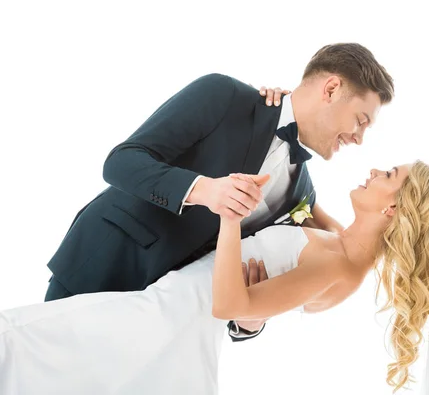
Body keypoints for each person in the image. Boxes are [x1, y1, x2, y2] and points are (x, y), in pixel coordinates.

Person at [0, 161, 429, 394]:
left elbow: (231, 306)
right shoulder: (341, 244)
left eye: (388, 173)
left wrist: (229, 216)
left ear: (392, 208)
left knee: (26, 347)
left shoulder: (339, 265)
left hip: (167, 318)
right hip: (171, 315)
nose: (374, 168)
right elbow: (299, 195)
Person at [44, 42, 394, 339]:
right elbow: (121, 162)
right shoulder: (225, 96)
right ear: (331, 89)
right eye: (361, 121)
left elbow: (345, 248)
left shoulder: (301, 193)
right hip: (103, 267)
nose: (359, 138)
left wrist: (250, 322)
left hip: (165, 321)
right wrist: (204, 190)